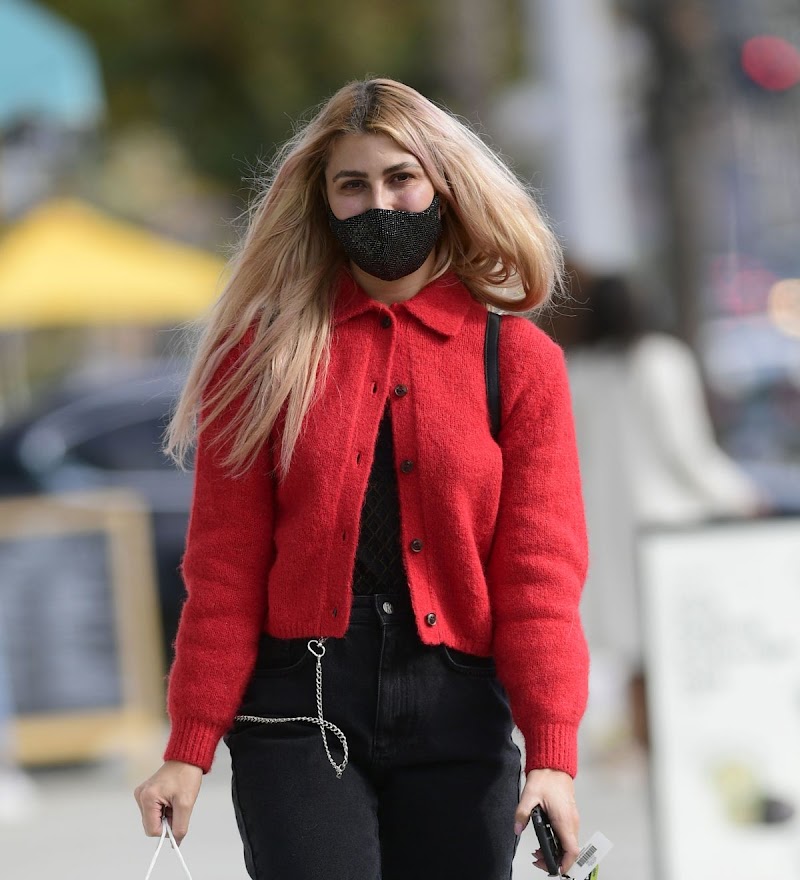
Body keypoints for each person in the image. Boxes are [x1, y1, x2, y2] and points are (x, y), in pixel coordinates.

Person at [134, 78, 590, 879]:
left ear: (442, 186)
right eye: (353, 185)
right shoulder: (261, 358)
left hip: (457, 708)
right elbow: (224, 567)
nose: (379, 203)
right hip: (299, 703)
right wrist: (189, 746)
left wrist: (552, 753)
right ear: (324, 202)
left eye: (400, 178)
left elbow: (538, 576)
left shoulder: (516, 362)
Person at [559, 271, 763, 755]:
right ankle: (680, 749)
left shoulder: (579, 370)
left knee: (636, 652)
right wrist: (741, 495)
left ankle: (644, 740)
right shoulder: (662, 362)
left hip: (607, 528)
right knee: (675, 643)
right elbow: (687, 452)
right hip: (670, 529)